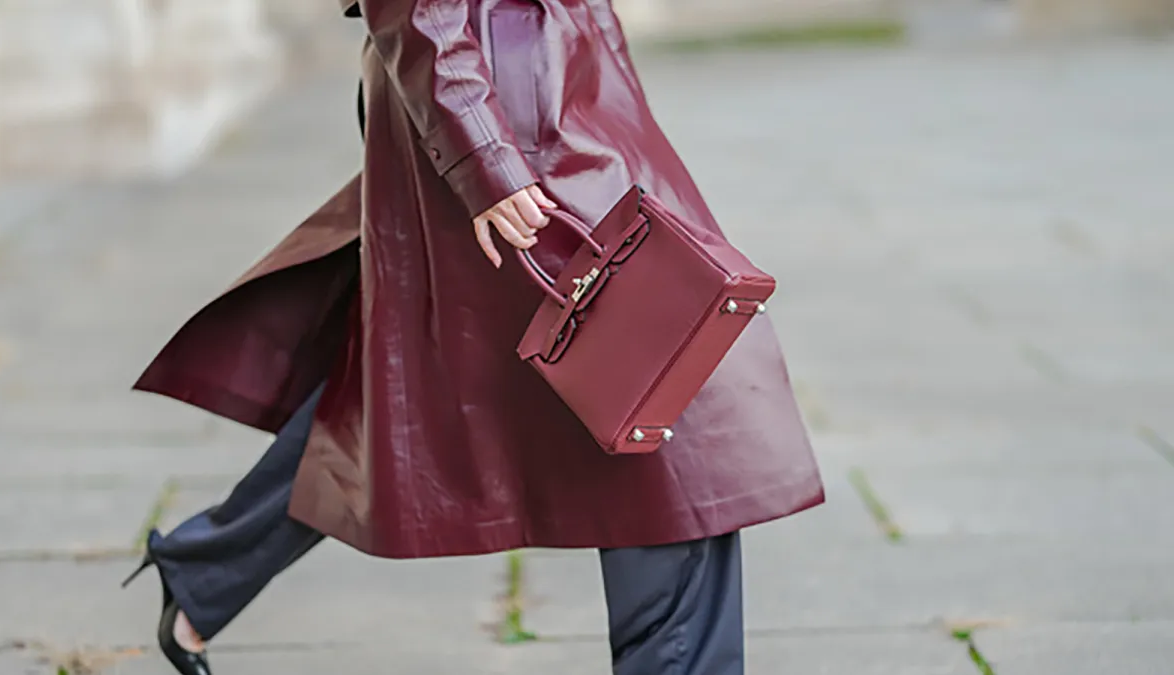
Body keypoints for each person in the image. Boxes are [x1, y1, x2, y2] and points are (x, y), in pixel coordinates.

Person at [122, 1, 825, 674]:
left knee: (421, 380)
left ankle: (209, 571)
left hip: (547, 93)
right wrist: (485, 155)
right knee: (663, 408)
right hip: (514, 117)